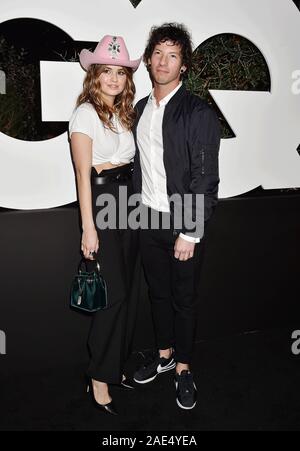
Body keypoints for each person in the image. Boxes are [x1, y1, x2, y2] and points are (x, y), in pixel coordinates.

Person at [132, 23, 221, 410]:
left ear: (183, 65)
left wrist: (190, 231)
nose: (164, 61)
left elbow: (206, 176)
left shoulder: (197, 111)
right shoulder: (140, 109)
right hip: (147, 218)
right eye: (158, 53)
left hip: (182, 223)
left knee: (184, 299)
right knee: (158, 294)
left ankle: (184, 368)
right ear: (149, 59)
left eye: (173, 55)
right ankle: (165, 355)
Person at [69, 35, 141, 416]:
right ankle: (97, 376)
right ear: (94, 75)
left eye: (120, 72)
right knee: (111, 297)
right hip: (101, 204)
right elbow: (84, 173)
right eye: (107, 71)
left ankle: (114, 368)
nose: (114, 78)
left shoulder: (121, 114)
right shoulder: (85, 114)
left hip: (127, 203)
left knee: (128, 293)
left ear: (126, 79)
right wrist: (88, 227)